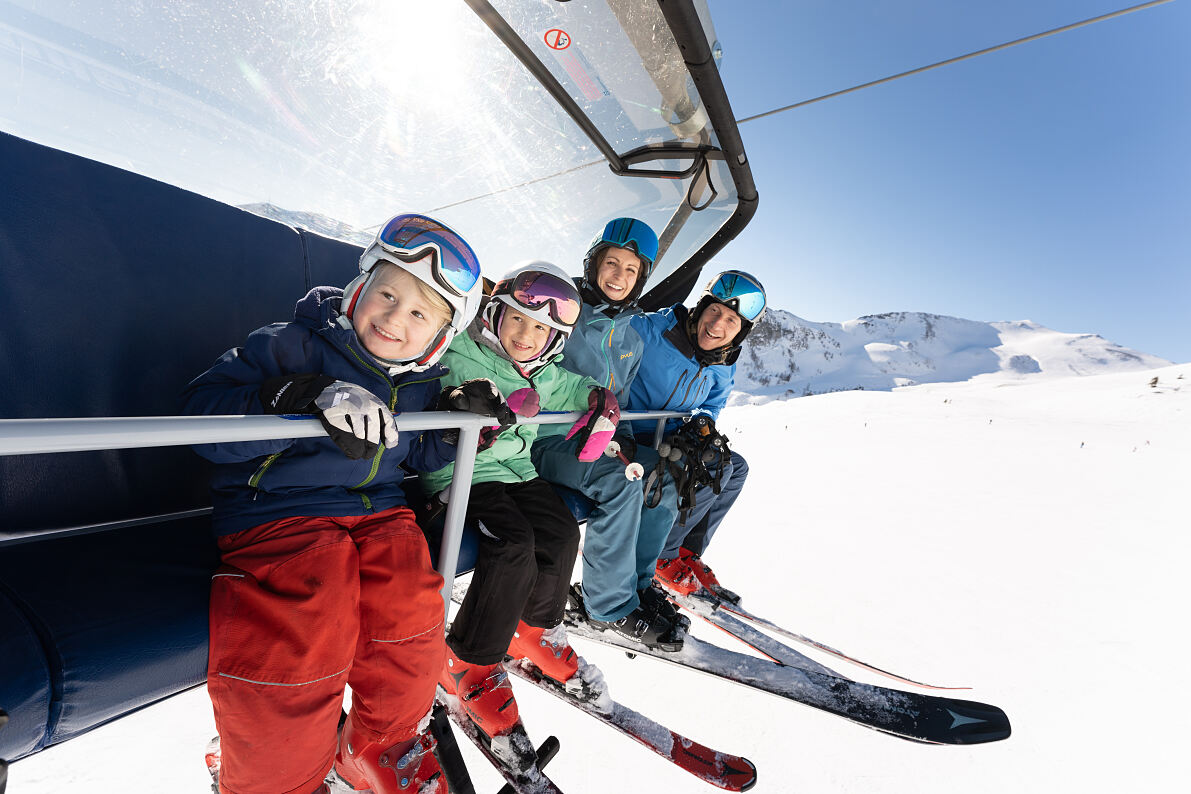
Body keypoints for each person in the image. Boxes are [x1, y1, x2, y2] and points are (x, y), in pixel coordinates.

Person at [183, 213, 490, 794]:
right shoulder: (291, 346)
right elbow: (201, 418)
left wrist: (451, 430)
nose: (395, 318)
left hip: (379, 515)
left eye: (419, 313)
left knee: (413, 604)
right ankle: (275, 779)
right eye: (387, 293)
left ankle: (380, 743)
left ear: (442, 338)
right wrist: (296, 398)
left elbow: (416, 457)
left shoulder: (420, 382)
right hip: (279, 513)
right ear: (358, 288)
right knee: (306, 621)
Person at [419, 261, 619, 741]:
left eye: (540, 330)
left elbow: (570, 385)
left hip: (517, 471)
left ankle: (530, 628)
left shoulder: (543, 371)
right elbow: (427, 386)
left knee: (560, 534)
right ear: (495, 314)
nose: (525, 336)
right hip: (462, 472)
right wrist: (462, 405)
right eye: (518, 320)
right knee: (513, 544)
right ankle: (466, 658)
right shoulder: (459, 350)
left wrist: (598, 397)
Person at [531, 218, 684, 651]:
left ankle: (636, 584)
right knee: (620, 481)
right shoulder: (565, 310)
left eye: (631, 270)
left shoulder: (631, 337)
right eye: (612, 263)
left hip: (599, 440)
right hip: (547, 439)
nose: (619, 276)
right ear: (594, 263)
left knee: (662, 473)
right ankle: (606, 606)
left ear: (641, 279)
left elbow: (624, 399)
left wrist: (626, 437)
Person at [626, 270, 767, 604]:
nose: (717, 325)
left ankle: (686, 551)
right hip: (632, 434)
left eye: (731, 321)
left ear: (740, 332)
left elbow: (713, 402)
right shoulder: (654, 330)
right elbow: (609, 336)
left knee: (735, 468)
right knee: (713, 468)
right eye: (714, 311)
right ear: (700, 307)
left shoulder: (723, 359)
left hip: (672, 435)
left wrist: (702, 423)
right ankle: (661, 555)